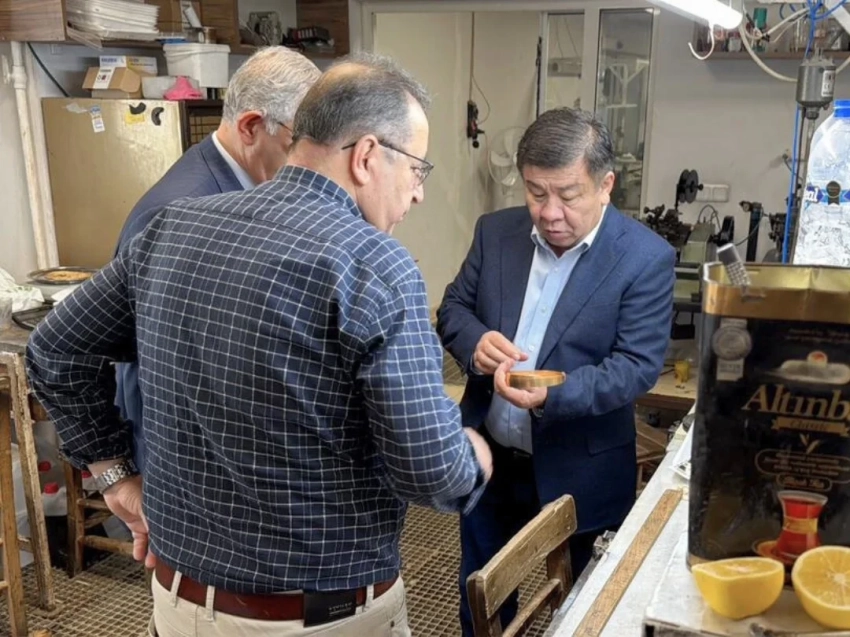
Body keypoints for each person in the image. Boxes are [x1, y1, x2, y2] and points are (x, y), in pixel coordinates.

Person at [27, 52, 492, 637]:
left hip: (178, 606)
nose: (418, 194)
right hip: (319, 620)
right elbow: (429, 472)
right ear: (368, 156)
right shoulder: (375, 264)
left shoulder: (174, 226)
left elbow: (54, 349)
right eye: (418, 170)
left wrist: (113, 475)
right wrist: (470, 456)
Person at [436, 107, 675, 635]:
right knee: (481, 605)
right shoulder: (496, 232)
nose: (549, 212)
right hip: (491, 464)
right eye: (536, 192)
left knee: (582, 612)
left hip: (579, 472)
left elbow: (635, 367)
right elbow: (453, 308)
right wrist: (475, 344)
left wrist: (553, 395)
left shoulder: (644, 258)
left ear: (605, 185)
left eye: (568, 195)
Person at [114, 46, 320, 471]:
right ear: (251, 127)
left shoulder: (248, 187)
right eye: (298, 144)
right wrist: (119, 475)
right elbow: (142, 361)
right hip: (186, 463)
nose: (310, 164)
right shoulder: (176, 212)